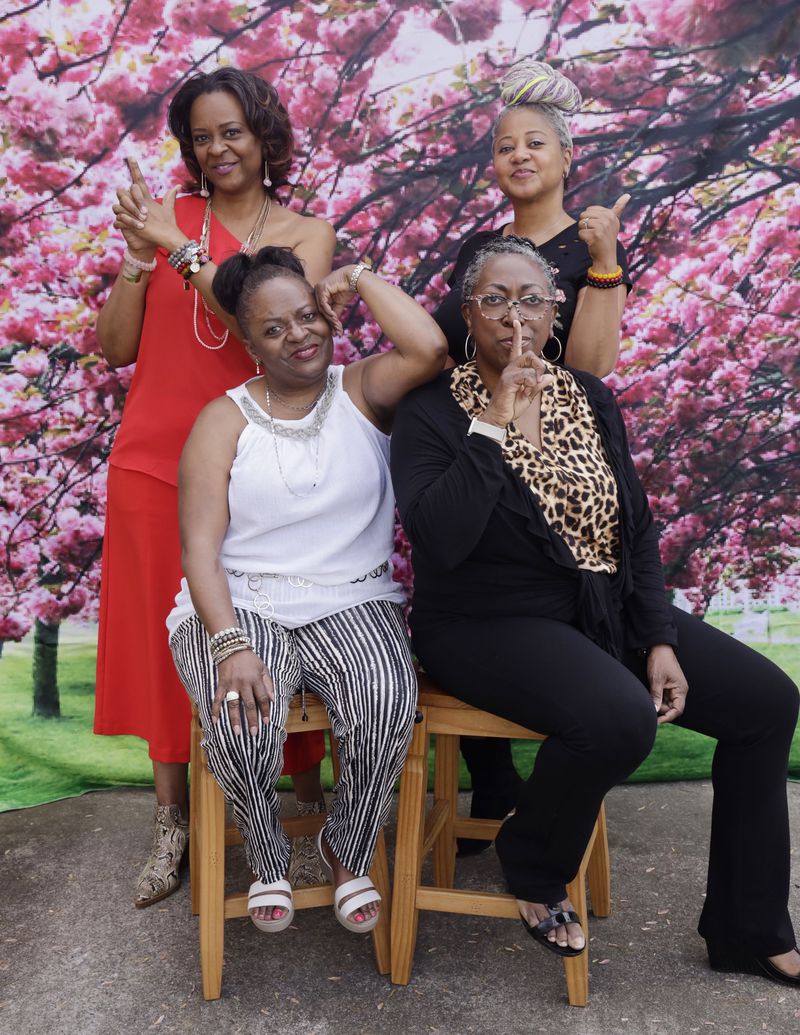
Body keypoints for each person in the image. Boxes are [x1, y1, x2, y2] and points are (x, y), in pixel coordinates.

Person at [390, 236, 800, 983]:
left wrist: (659, 636)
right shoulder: (431, 413)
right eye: (496, 299)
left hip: (599, 610)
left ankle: (747, 925)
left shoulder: (589, 395)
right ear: (466, 311)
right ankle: (534, 860)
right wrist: (497, 420)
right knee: (618, 717)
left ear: (556, 312)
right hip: (484, 622)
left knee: (768, 702)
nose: (516, 315)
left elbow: (634, 528)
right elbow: (440, 539)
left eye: (533, 299)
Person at [94, 67, 336, 908]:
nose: (216, 148)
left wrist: (181, 247)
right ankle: (172, 822)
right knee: (167, 653)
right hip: (151, 461)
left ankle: (304, 811)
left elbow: (268, 324)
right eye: (201, 135)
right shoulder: (166, 218)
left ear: (265, 133)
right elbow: (114, 348)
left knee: (279, 627)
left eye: (231, 130)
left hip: (260, 462)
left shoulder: (307, 231)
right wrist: (136, 257)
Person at [168, 245, 447, 932]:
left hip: (353, 597)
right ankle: (269, 853)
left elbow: (431, 346)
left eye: (307, 315)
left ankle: (345, 847)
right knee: (239, 712)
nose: (300, 335)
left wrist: (353, 278)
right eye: (274, 327)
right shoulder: (222, 419)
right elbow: (199, 547)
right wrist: (230, 642)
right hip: (245, 600)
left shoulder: (362, 391)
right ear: (248, 341)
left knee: (388, 699)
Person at [432, 59, 632, 850]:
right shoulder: (481, 253)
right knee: (468, 584)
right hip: (478, 434)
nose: (520, 155)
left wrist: (607, 259)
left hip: (562, 440)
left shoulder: (589, 243)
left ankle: (556, 794)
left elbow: (590, 368)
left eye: (536, 143)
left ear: (565, 156)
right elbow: (445, 351)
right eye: (507, 145)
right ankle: (496, 781)